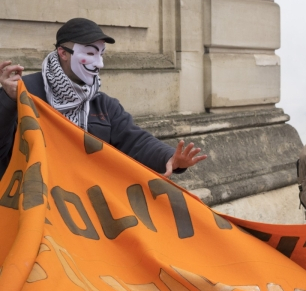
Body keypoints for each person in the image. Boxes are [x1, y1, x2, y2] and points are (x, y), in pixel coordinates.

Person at [0, 17, 206, 179]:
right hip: (30, 201)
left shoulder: (103, 104)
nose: (99, 64)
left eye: (101, 54)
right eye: (90, 53)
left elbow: (135, 140)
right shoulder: (23, 92)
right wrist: (8, 101)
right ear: (63, 53)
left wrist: (169, 157)